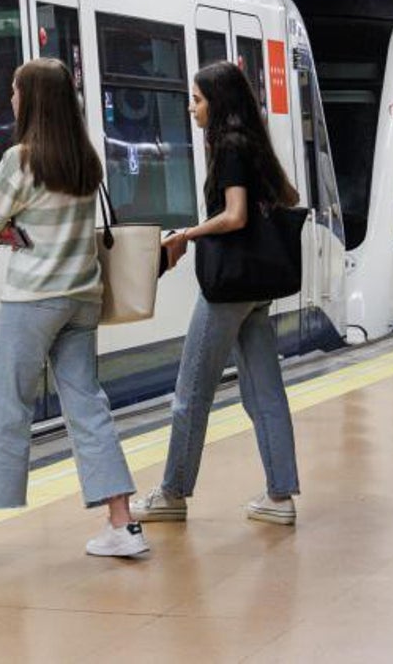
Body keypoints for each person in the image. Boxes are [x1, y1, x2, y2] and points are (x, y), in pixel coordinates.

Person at [0, 58, 148, 558]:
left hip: (33, 301)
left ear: (32, 99)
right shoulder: (87, 159)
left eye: (15, 92)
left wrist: (12, 233)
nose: (10, 100)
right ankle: (122, 524)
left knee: (4, 405)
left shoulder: (21, 160)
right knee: (87, 405)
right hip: (83, 298)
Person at [132, 61, 302, 526]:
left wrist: (188, 234)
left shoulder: (228, 147)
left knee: (191, 392)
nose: (192, 108)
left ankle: (171, 492)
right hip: (258, 288)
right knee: (266, 392)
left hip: (227, 288)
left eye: (198, 99)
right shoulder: (253, 144)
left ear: (219, 102)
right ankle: (280, 496)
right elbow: (288, 196)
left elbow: (235, 216)